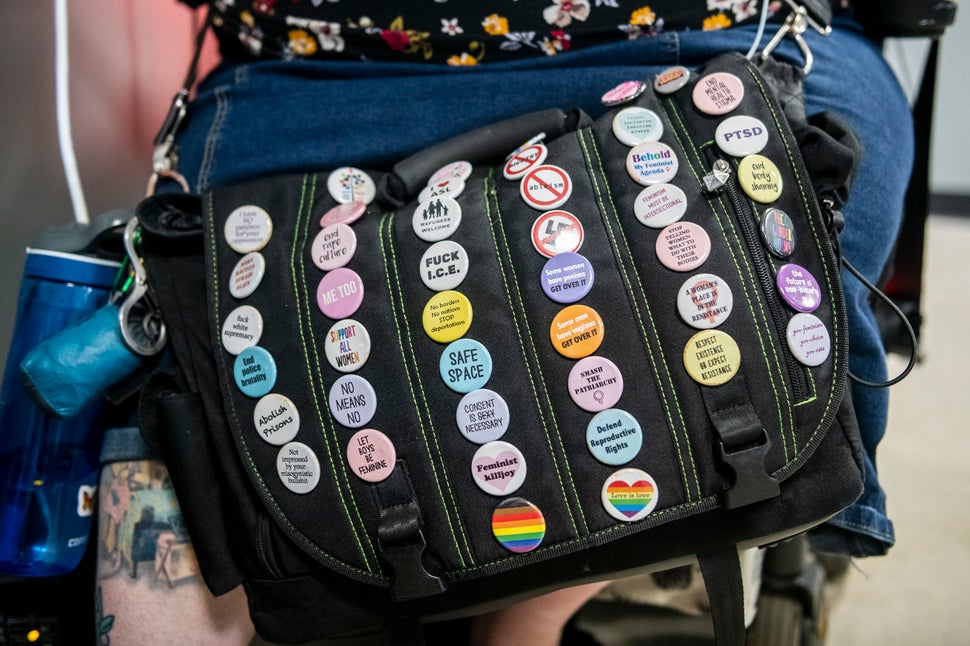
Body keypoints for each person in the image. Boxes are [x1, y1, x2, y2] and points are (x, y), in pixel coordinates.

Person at [96, 1, 913, 643]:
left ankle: (532, 610)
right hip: (314, 78)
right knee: (200, 377)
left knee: (715, 296)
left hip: (691, 47)